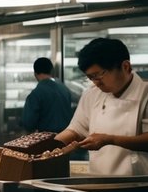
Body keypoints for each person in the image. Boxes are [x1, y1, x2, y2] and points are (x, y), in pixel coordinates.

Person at [54, 38, 148, 175]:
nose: (96, 83)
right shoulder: (92, 94)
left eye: (99, 75)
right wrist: (51, 145)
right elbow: (76, 130)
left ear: (125, 67)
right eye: (90, 77)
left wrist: (110, 140)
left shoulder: (145, 93)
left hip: (138, 184)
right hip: (98, 178)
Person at [22, 57, 74, 133]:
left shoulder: (36, 94)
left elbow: (28, 123)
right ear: (51, 71)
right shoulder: (64, 89)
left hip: (47, 140)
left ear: (35, 74)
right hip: (67, 136)